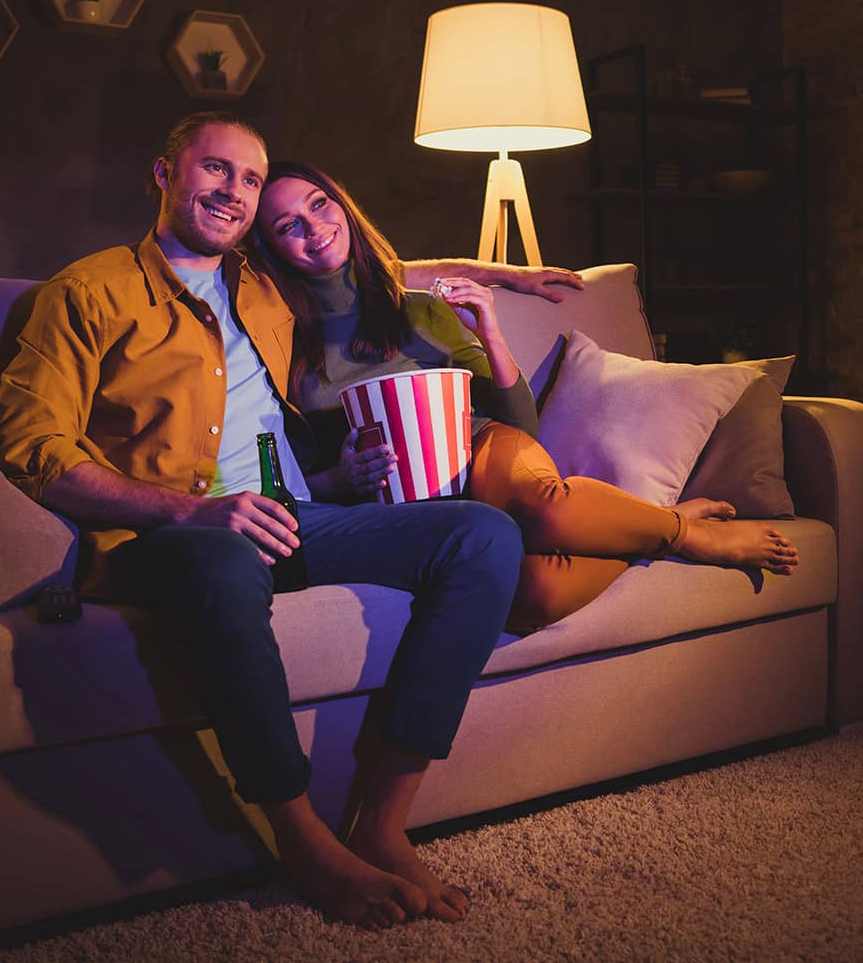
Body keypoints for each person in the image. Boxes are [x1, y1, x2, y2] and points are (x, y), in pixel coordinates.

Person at [0, 112, 528, 931]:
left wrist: (510, 277)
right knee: (224, 559)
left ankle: (383, 821)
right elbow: (33, 448)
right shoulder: (87, 292)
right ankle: (302, 836)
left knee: (481, 534)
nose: (234, 191)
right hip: (163, 537)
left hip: (296, 515)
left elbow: (355, 256)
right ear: (165, 173)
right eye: (216, 170)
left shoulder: (263, 284)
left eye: (250, 179)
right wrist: (196, 509)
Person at [247, 161, 799, 630]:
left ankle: (692, 538)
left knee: (547, 508)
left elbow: (523, 425)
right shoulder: (281, 346)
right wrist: (341, 479)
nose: (314, 227)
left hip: (485, 444)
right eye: (288, 224)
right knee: (529, 594)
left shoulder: (416, 309)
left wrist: (489, 324)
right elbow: (296, 473)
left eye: (320, 204)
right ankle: (666, 522)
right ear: (270, 249)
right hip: (411, 504)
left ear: (341, 205)